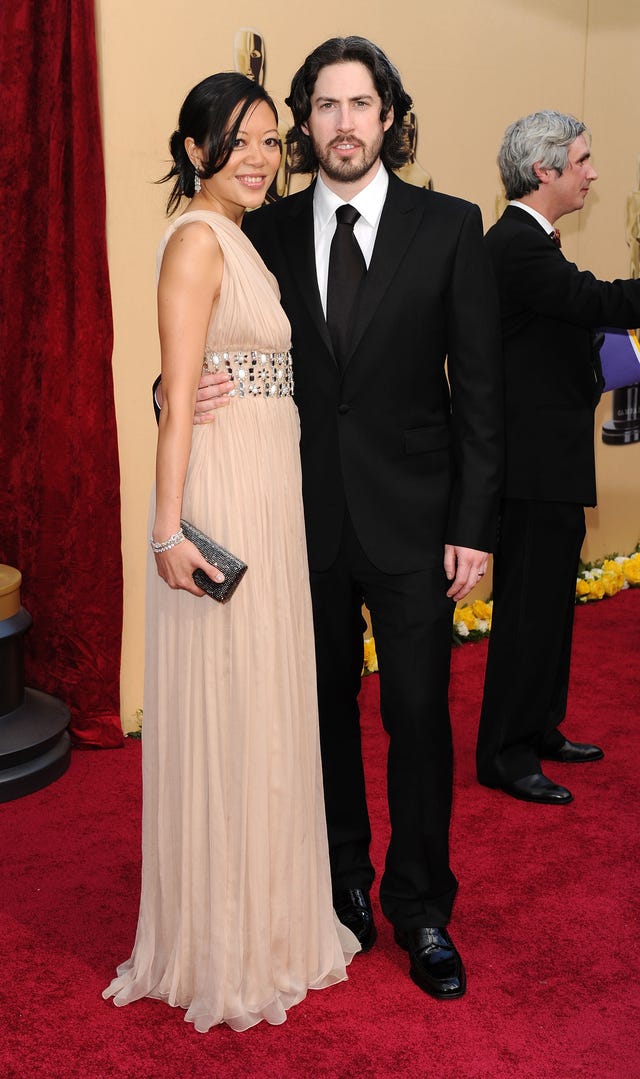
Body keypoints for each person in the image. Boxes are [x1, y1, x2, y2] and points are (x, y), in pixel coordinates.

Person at [184, 37, 504, 1000]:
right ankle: (340, 884)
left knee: (418, 717)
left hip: (416, 527)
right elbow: (216, 336)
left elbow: (480, 392)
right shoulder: (266, 228)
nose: (344, 123)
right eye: (324, 106)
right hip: (299, 523)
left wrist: (473, 524)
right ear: (305, 123)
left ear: (389, 117)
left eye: (361, 104)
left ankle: (422, 907)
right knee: (318, 715)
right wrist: (173, 391)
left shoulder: (451, 226)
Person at [103, 72, 359, 1034]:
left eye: (268, 140)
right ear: (193, 149)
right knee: (230, 696)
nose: (258, 157)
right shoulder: (198, 240)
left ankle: (269, 920)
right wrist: (168, 530)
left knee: (265, 700)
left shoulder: (240, 236)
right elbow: (176, 399)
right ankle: (221, 938)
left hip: (269, 488)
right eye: (237, 139)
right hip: (224, 493)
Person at [476, 110, 640, 805]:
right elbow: (591, 301)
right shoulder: (517, 245)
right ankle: (505, 754)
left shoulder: (532, 241)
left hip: (550, 463)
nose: (592, 174)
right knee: (526, 613)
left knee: (550, 608)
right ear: (543, 170)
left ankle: (539, 728)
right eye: (581, 161)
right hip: (531, 469)